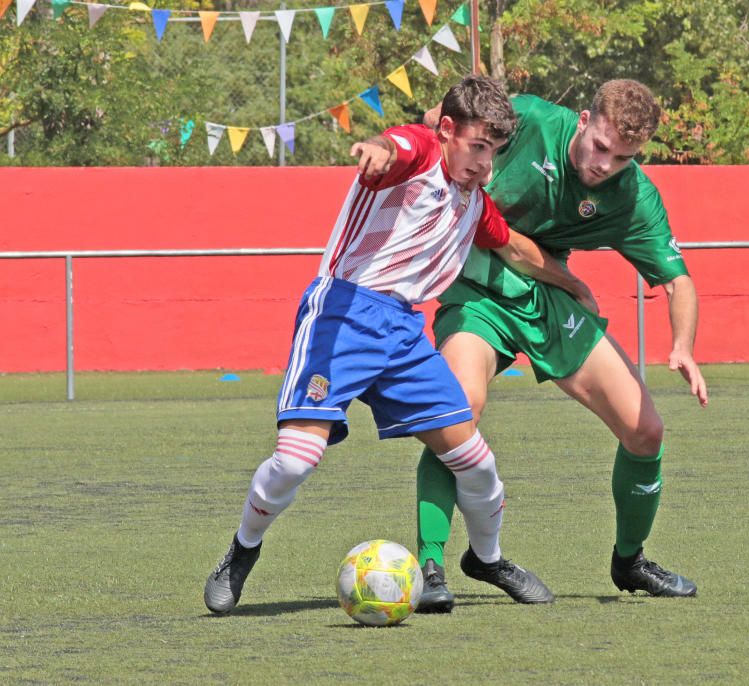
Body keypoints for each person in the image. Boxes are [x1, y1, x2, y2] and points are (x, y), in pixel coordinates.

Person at [203, 75, 595, 614]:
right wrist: (375, 149)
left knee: (476, 462)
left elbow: (518, 251)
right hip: (342, 314)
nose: (484, 163)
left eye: (495, 152)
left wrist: (575, 284)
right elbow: (398, 144)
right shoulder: (420, 150)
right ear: (451, 130)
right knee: (296, 460)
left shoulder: (474, 202)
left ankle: (488, 559)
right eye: (477, 147)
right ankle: (242, 551)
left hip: (404, 335)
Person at [414, 79, 709, 614]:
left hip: (548, 293)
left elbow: (679, 281)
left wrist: (683, 346)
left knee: (646, 431)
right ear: (582, 119)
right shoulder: (529, 118)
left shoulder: (634, 196)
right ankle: (430, 566)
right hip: (479, 287)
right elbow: (440, 117)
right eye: (600, 146)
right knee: (457, 411)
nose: (605, 165)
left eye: (622, 157)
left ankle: (630, 560)